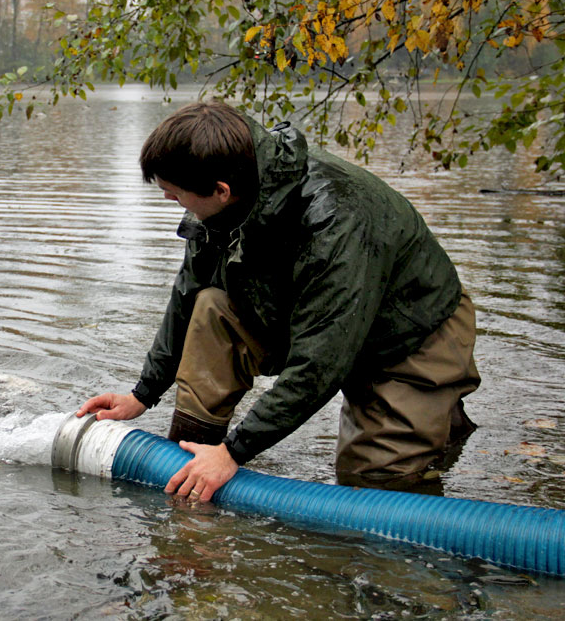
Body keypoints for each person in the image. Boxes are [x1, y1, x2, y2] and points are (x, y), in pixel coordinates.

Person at [76, 101, 480, 502]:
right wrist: (143, 394)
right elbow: (188, 294)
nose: (169, 200)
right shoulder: (221, 198)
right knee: (212, 306)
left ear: (221, 191)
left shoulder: (335, 219)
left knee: (373, 484)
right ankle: (188, 465)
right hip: (315, 314)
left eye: (175, 194)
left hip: (409, 336)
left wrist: (235, 452)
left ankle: (435, 421)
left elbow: (319, 362)